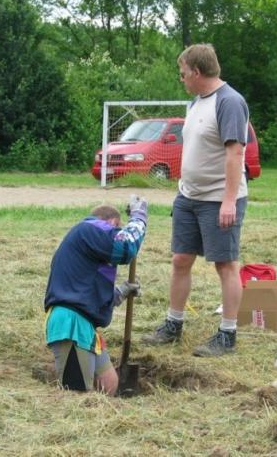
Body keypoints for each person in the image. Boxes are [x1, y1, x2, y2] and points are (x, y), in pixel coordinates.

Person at [142, 43, 249, 357]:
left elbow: (235, 152)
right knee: (180, 261)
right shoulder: (195, 103)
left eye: (183, 73)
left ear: (198, 72)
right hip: (188, 197)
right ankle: (173, 325)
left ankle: (227, 335)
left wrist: (229, 201)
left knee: (225, 265)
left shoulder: (229, 102)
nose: (182, 79)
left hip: (218, 199)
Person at [44, 197, 147, 395]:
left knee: (110, 384)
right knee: (78, 395)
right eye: (116, 229)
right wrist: (138, 217)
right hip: (70, 324)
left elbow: (85, 288)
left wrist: (119, 293)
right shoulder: (90, 229)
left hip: (86, 326)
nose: (115, 233)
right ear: (111, 223)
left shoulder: (86, 244)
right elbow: (126, 247)